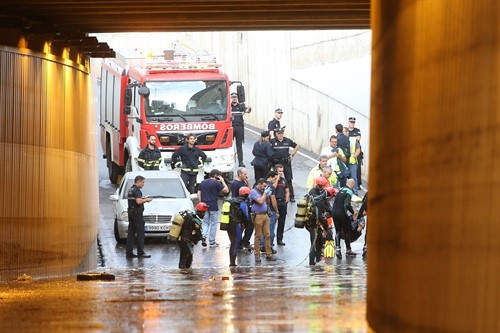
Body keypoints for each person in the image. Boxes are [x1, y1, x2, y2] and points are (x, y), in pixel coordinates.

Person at [197, 169, 229, 247]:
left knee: (205, 222)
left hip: (204, 206)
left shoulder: (203, 182)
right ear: (216, 175)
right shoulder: (216, 183)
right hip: (213, 205)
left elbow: (198, 194)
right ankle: (212, 242)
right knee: (213, 224)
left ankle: (204, 236)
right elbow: (226, 190)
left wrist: (201, 202)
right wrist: (223, 181)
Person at [306, 176, 332, 266]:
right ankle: (312, 263)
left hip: (313, 223)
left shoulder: (314, 192)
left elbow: (326, 206)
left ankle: (317, 260)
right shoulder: (317, 198)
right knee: (314, 242)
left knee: (319, 242)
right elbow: (320, 216)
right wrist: (326, 227)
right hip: (313, 223)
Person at [249, 178, 277, 262]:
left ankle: (269, 254)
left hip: (265, 215)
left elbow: (266, 202)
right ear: (260, 184)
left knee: (267, 235)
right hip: (257, 215)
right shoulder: (254, 192)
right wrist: (265, 193)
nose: (264, 188)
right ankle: (257, 254)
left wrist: (267, 195)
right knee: (258, 235)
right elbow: (260, 201)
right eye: (264, 186)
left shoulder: (262, 192)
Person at [125, 175, 153, 258]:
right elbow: (138, 201)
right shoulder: (137, 190)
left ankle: (129, 252)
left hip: (131, 213)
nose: (143, 184)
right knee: (140, 233)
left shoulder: (131, 189)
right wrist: (146, 200)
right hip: (137, 214)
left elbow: (135, 199)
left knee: (131, 233)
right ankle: (140, 252)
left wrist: (142, 198)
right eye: (143, 182)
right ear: (139, 181)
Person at [270, 127, 299, 202]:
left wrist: (292, 154)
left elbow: (296, 146)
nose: (280, 135)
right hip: (276, 163)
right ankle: (275, 195)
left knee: (288, 179)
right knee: (276, 179)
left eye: (281, 133)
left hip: (286, 163)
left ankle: (291, 196)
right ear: (276, 134)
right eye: (279, 133)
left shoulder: (287, 140)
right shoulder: (272, 141)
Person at [177, 202, 207, 268]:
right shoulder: (195, 220)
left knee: (184, 255)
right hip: (185, 240)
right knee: (187, 256)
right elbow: (198, 232)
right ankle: (184, 272)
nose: (204, 214)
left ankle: (183, 271)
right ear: (200, 212)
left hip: (182, 239)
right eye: (203, 212)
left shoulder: (191, 216)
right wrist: (200, 238)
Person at [227, 186, 251, 267]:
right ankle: (232, 263)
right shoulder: (242, 203)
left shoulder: (232, 201)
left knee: (232, 243)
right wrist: (247, 224)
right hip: (237, 225)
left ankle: (232, 261)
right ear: (246, 194)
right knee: (235, 243)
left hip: (229, 224)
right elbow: (246, 215)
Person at [332, 178, 357, 258]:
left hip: (334, 212)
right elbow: (347, 204)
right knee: (346, 231)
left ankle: (338, 249)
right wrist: (353, 212)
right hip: (342, 213)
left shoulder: (341, 189)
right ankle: (348, 250)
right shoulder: (349, 191)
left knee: (338, 231)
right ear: (352, 185)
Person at [231, 92, 252, 167]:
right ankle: (231, 161)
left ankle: (240, 162)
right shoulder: (228, 107)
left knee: (239, 146)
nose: (234, 98)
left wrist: (249, 108)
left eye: (235, 97)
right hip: (231, 127)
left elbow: (247, 111)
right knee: (230, 146)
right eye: (233, 97)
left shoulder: (240, 106)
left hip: (239, 127)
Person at [260, 171, 279, 254]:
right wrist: (277, 211)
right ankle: (269, 246)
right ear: (271, 177)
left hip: (260, 209)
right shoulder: (271, 187)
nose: (275, 180)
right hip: (270, 209)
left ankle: (261, 245)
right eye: (275, 178)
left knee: (261, 228)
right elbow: (273, 200)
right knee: (270, 229)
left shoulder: (260, 185)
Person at [274, 164, 289, 246]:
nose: (281, 173)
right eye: (279, 171)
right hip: (275, 202)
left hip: (282, 202)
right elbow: (273, 187)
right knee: (273, 221)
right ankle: (270, 240)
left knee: (282, 222)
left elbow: (287, 190)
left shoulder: (284, 180)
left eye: (282, 171)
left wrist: (286, 199)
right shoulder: (273, 180)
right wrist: (277, 179)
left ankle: (280, 239)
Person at [347, 117, 363, 189]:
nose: (352, 123)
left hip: (357, 152)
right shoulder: (346, 130)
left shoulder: (357, 130)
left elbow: (358, 138)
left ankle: (358, 184)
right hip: (348, 153)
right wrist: (354, 137)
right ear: (348, 122)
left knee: (357, 168)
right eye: (351, 122)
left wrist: (350, 137)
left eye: (353, 122)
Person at [345, 127, 361, 195]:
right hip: (344, 161)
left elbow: (358, 150)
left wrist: (354, 157)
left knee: (353, 177)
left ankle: (355, 192)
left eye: (344, 132)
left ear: (347, 132)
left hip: (352, 161)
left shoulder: (353, 140)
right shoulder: (341, 139)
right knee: (344, 176)